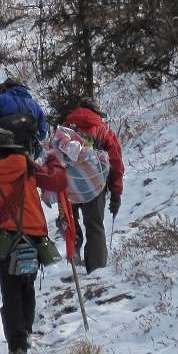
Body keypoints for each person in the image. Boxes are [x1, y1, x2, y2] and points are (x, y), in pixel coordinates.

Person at [0, 128, 67, 354]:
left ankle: (17, 346)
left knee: (10, 293)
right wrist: (54, 161)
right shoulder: (27, 164)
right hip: (35, 238)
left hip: (6, 240)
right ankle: (26, 332)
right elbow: (57, 181)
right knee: (26, 287)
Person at [62, 97, 124, 274]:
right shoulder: (104, 131)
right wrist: (116, 193)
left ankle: (74, 255)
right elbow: (116, 163)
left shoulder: (66, 130)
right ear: (97, 113)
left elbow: (54, 157)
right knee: (95, 226)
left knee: (70, 223)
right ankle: (96, 269)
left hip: (69, 186)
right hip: (95, 185)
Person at [0, 75, 49, 156]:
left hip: (6, 146)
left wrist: (2, 129)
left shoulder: (1, 99)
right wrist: (36, 137)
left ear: (5, 88)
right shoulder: (33, 103)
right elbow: (43, 131)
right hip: (28, 147)